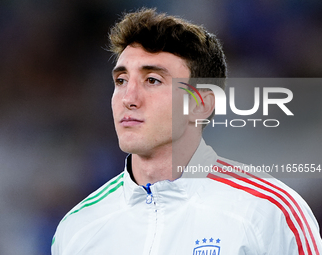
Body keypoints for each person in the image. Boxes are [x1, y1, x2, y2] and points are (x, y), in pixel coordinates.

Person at [51, 8, 322, 255]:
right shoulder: (77, 228)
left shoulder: (271, 212)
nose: (128, 97)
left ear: (201, 104)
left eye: (152, 80)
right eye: (121, 80)